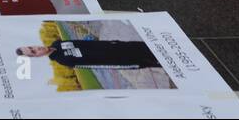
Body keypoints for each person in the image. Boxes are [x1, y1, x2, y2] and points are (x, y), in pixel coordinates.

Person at [18, 40, 162, 71]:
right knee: (155, 60)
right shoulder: (62, 60)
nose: (36, 48)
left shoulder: (57, 43)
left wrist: (113, 43)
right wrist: (131, 65)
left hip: (119, 46)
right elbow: (94, 65)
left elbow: (87, 43)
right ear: (36, 57)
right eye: (33, 52)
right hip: (120, 59)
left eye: (31, 46)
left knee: (152, 47)